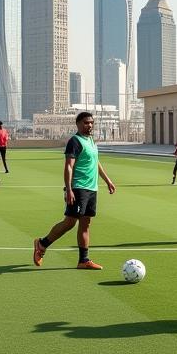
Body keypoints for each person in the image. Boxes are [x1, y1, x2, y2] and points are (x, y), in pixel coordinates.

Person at [32, 111, 116, 270]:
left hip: (92, 188)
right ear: (78, 124)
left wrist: (108, 180)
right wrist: (68, 189)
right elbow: (68, 166)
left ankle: (83, 260)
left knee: (86, 223)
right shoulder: (75, 141)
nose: (89, 125)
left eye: (91, 122)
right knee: (70, 222)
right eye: (85, 122)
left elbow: (95, 162)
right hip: (78, 188)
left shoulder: (91, 140)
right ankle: (42, 244)